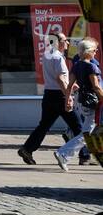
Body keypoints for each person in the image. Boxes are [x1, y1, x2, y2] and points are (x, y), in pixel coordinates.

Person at [18, 33, 83, 168]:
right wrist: (68, 95)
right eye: (66, 41)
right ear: (58, 42)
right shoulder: (58, 57)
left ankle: (27, 149)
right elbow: (60, 79)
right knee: (79, 127)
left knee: (44, 125)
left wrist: (69, 84)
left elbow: (57, 78)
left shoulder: (48, 55)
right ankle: (84, 156)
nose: (68, 43)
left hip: (49, 95)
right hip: (60, 96)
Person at [60, 38, 101, 169]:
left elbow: (69, 86)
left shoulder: (77, 65)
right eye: (94, 50)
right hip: (93, 102)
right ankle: (64, 153)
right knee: (87, 133)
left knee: (90, 131)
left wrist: (68, 100)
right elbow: (96, 86)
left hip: (82, 101)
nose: (96, 52)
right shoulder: (91, 66)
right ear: (89, 51)